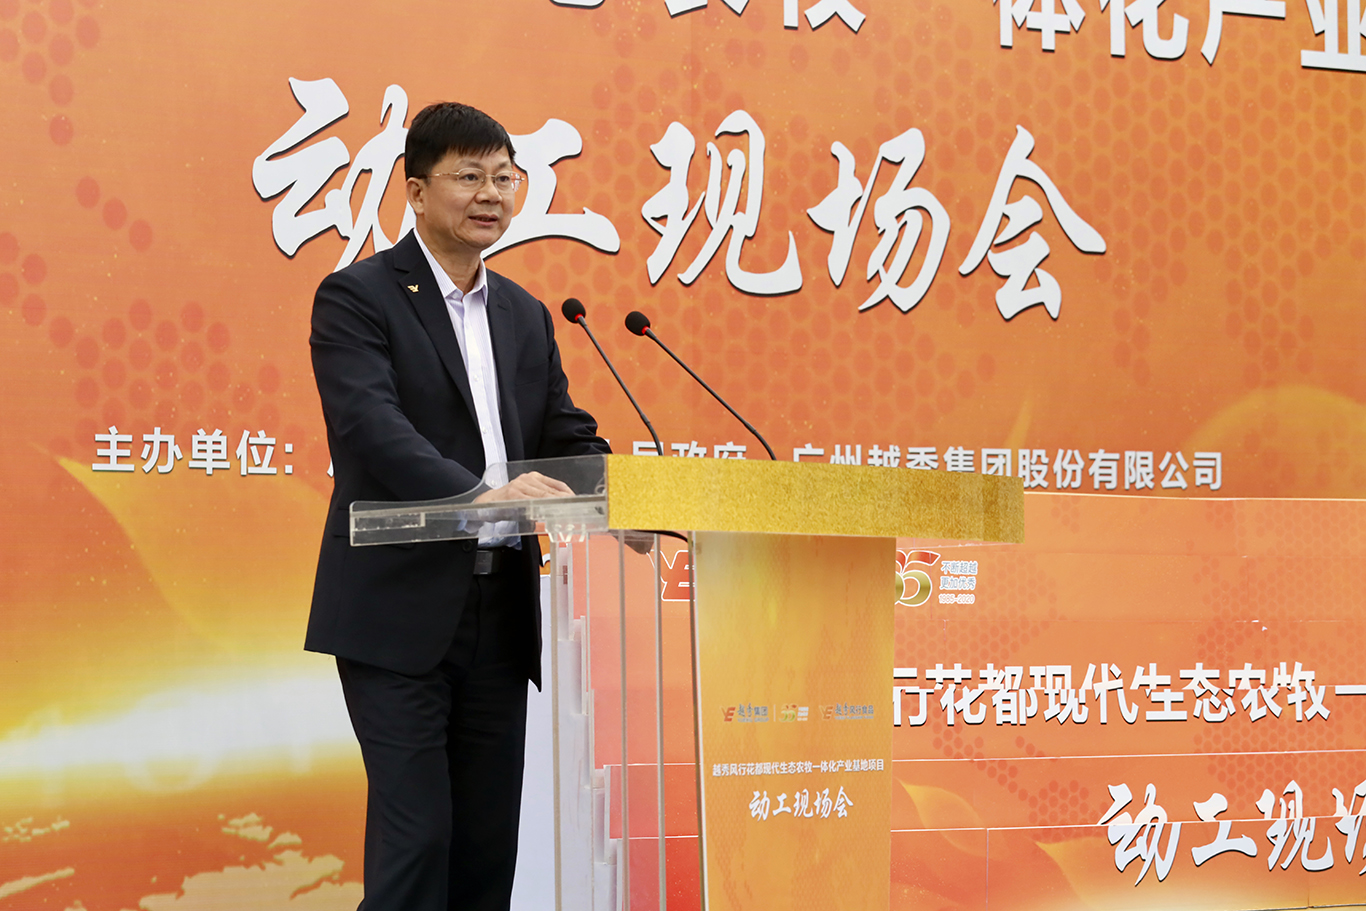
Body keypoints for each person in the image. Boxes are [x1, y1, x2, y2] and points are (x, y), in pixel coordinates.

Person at [306, 101, 609, 911]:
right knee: (418, 842)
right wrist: (480, 494)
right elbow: (372, 429)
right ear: (415, 190)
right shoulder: (358, 297)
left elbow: (564, 431)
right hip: (397, 607)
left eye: (505, 177)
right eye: (469, 176)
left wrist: (627, 496)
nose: (491, 195)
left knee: (483, 849)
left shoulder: (524, 314)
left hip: (499, 612)